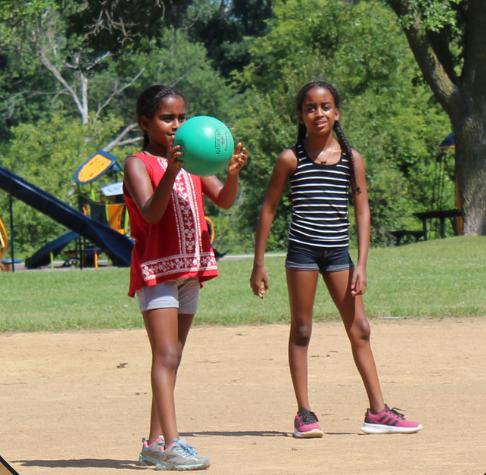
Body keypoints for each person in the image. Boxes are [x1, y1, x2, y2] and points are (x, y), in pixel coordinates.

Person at [250, 81, 421, 437]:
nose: (319, 113)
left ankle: (378, 412)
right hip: (302, 253)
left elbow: (362, 212)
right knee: (301, 330)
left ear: (337, 112)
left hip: (338, 256)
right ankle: (304, 414)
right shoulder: (290, 158)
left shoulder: (351, 158)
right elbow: (268, 210)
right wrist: (259, 263)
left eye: (326, 106)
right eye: (310, 108)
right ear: (301, 115)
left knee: (360, 328)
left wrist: (361, 263)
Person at [124, 84, 247, 470]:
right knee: (165, 355)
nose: (177, 125)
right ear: (146, 123)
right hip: (157, 270)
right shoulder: (138, 163)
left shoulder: (194, 161)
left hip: (190, 270)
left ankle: (152, 445)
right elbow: (151, 213)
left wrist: (233, 174)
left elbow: (224, 200)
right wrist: (172, 171)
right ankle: (173, 445)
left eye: (182, 117)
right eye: (167, 118)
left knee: (173, 359)